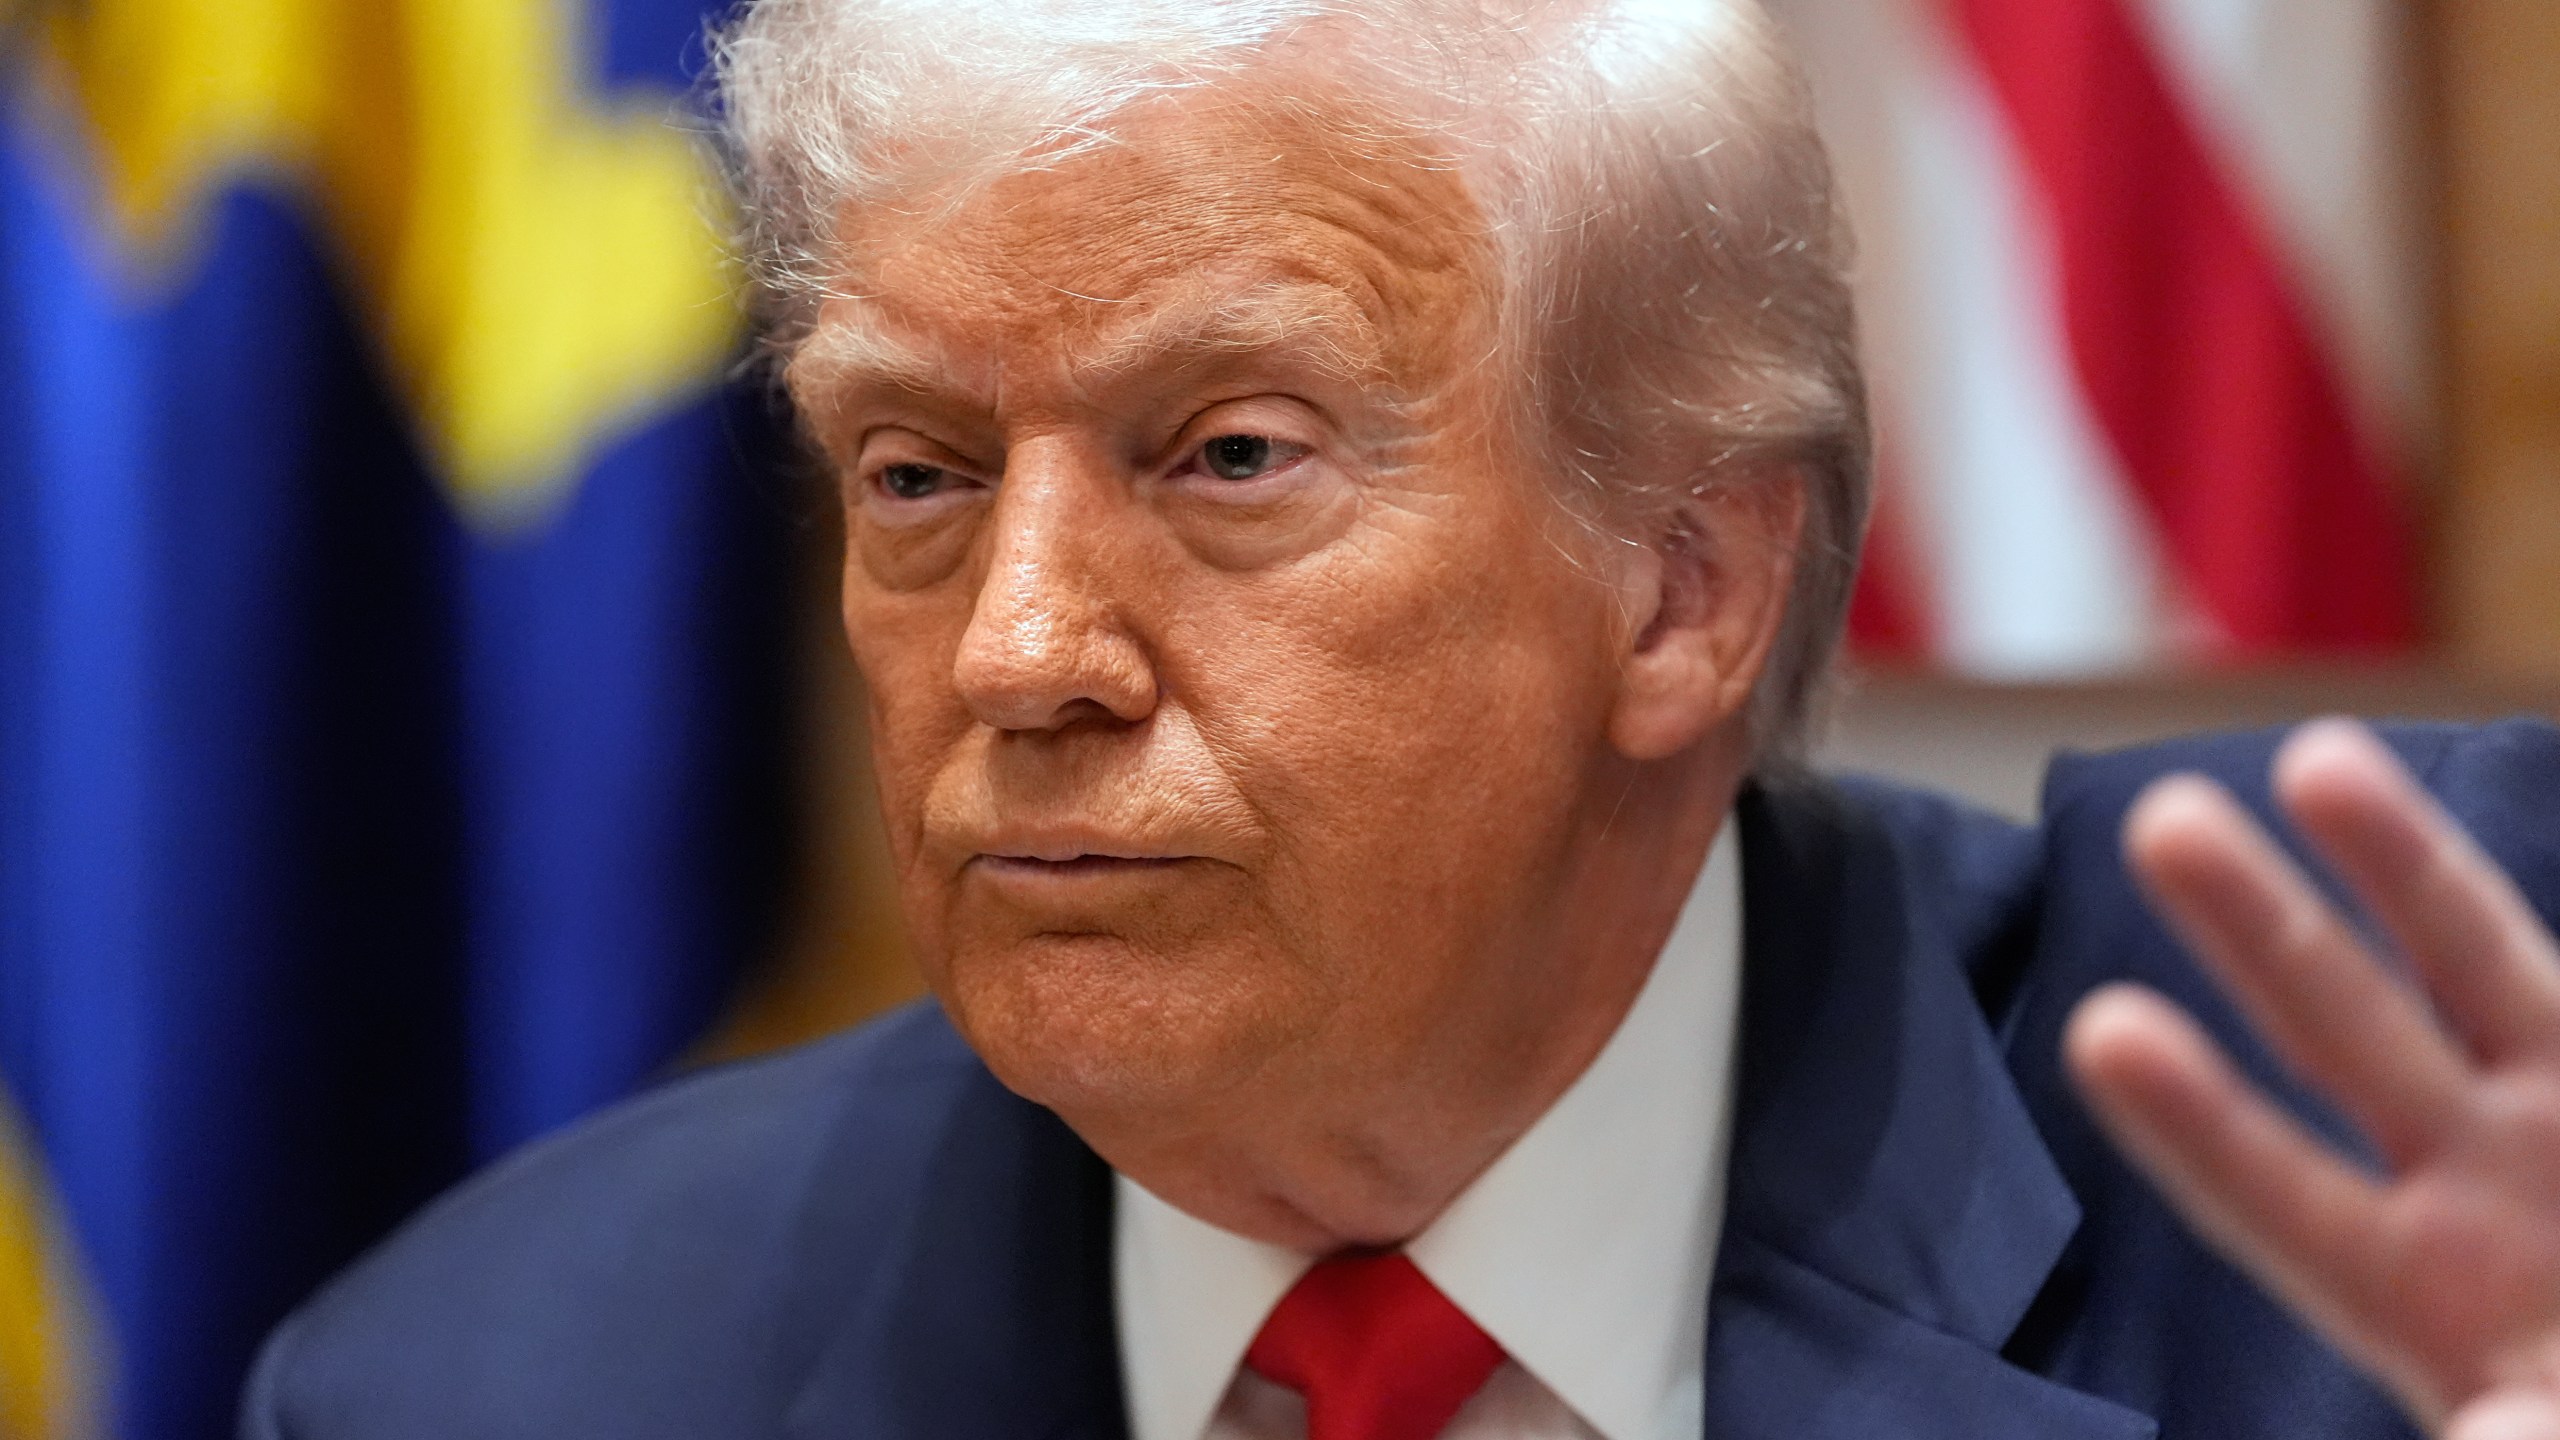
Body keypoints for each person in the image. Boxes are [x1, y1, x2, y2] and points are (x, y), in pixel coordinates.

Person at [243, 1, 2560, 1437]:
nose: (1018, 647)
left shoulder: (2428, 1084)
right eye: (918, 476)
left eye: (1231, 454)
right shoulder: (489, 1381)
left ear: (1685, 581)